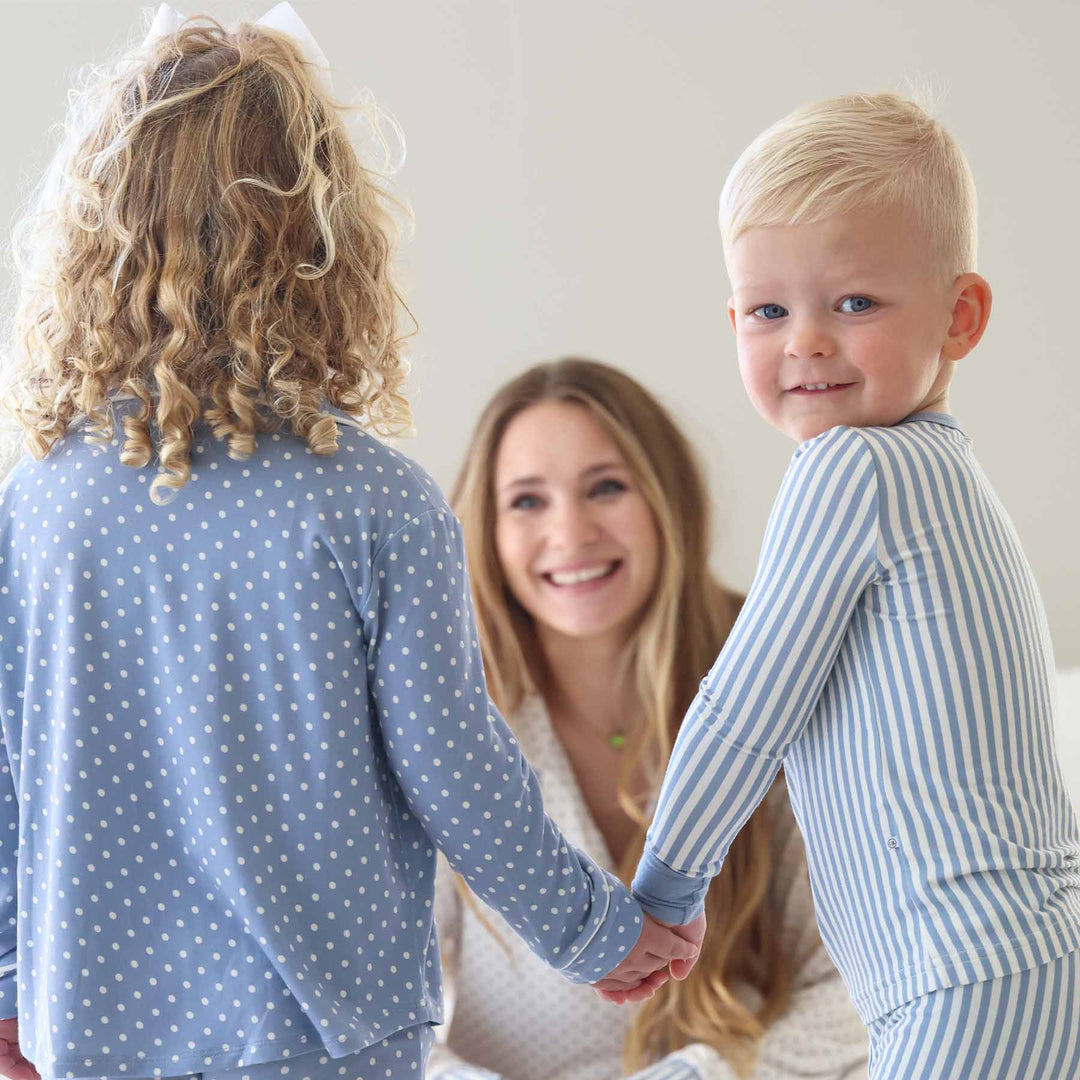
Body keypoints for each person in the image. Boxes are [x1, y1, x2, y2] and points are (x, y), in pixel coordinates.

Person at [0, 11, 694, 1080]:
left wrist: (8, 983)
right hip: (323, 1044)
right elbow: (459, 773)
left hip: (92, 1035)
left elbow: (8, 777)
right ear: (325, 246)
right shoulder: (373, 506)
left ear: (99, 233)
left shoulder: (39, 506)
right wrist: (597, 934)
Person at [628, 93, 1080, 1079]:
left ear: (960, 317)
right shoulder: (941, 473)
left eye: (856, 303)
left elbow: (744, 703)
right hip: (1020, 963)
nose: (806, 342)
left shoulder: (855, 471)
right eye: (769, 310)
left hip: (960, 974)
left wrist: (665, 884)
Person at [431, 358, 868, 1080]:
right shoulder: (451, 719)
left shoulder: (783, 679)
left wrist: (710, 1075)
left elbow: (858, 987)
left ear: (668, 500)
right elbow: (382, 1016)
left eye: (606, 487)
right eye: (527, 502)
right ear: (486, 527)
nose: (570, 533)